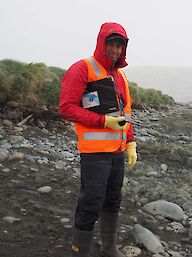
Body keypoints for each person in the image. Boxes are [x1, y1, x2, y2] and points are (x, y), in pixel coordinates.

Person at [59, 22, 137, 257]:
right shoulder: (82, 69)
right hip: (94, 153)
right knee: (91, 201)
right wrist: (103, 122)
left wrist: (131, 142)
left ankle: (109, 248)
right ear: (101, 43)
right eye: (111, 44)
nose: (114, 50)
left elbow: (126, 114)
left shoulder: (120, 77)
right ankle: (79, 252)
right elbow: (66, 108)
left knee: (113, 199)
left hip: (117, 152)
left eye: (119, 46)